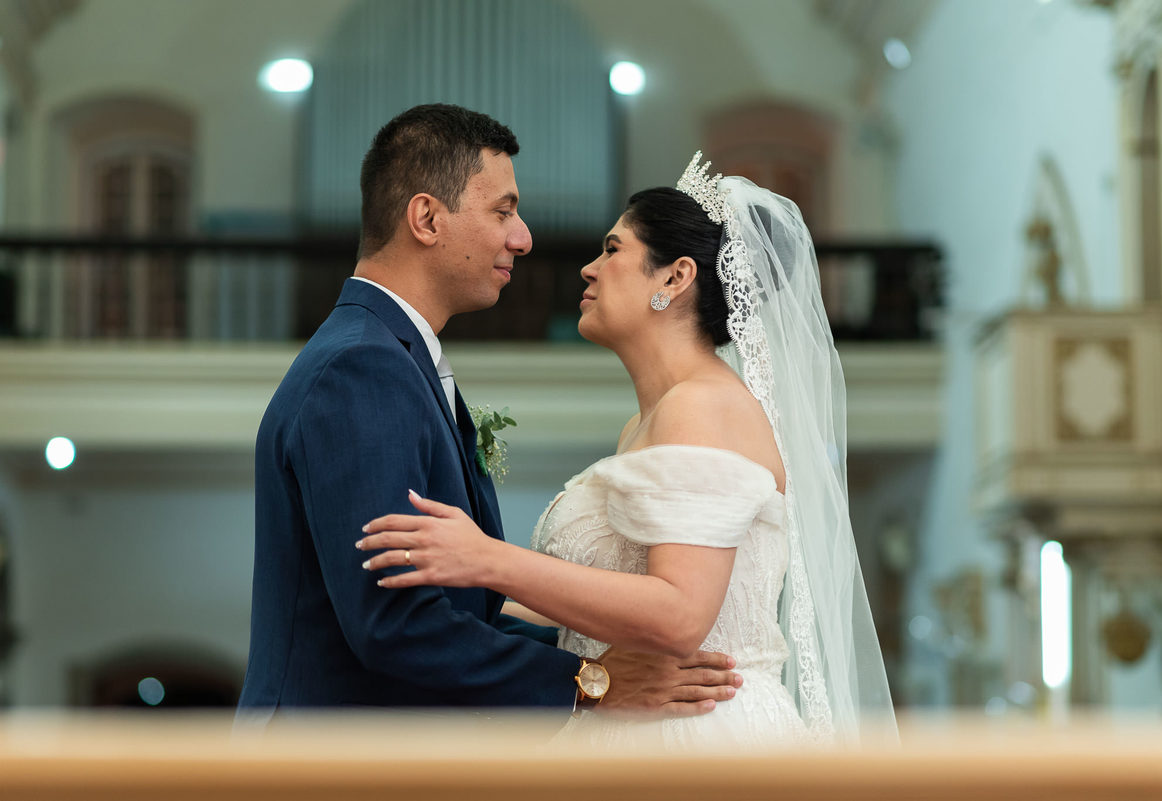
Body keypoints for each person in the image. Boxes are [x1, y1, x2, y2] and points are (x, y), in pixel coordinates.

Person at [356, 153, 898, 748]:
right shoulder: (651, 420)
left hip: (698, 734)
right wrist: (454, 585)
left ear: (675, 277)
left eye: (613, 250)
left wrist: (487, 559)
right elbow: (595, 613)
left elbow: (681, 613)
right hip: (642, 722)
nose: (588, 269)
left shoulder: (702, 406)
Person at [237, 106, 742, 720]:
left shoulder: (387, 357)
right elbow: (393, 621)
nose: (524, 237)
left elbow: (457, 609)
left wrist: (587, 661)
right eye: (503, 211)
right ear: (425, 218)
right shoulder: (361, 370)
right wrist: (588, 682)